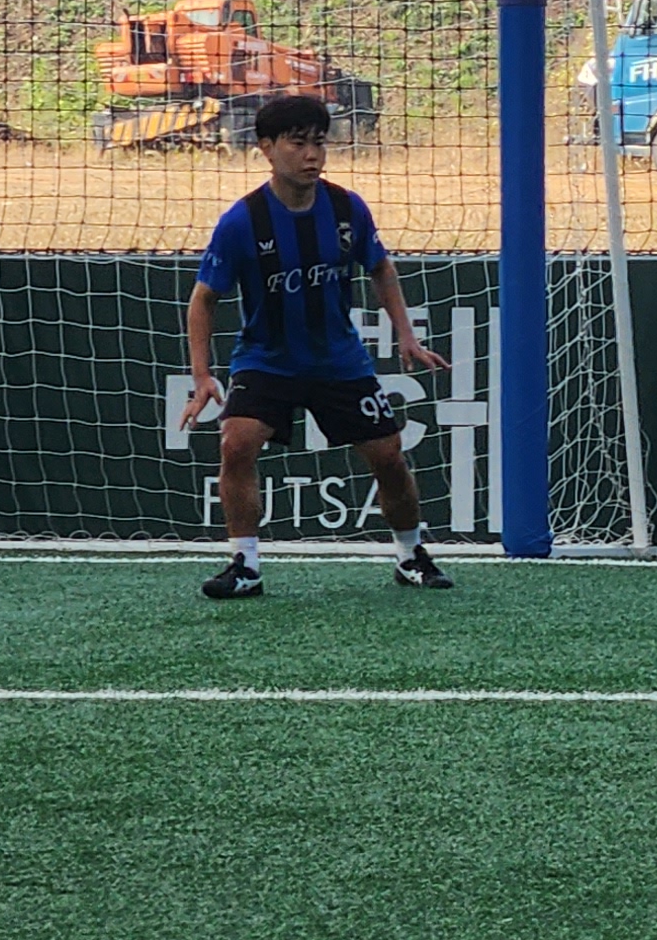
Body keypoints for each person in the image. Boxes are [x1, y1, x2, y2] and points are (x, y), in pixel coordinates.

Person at [179, 93, 453, 600]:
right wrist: (202, 375)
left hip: (338, 360)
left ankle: (411, 555)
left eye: (319, 143)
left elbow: (381, 269)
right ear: (266, 148)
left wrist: (406, 334)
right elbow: (203, 299)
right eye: (298, 143)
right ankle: (245, 564)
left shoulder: (347, 209)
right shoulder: (243, 221)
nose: (312, 155)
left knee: (389, 455)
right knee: (236, 444)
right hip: (267, 359)